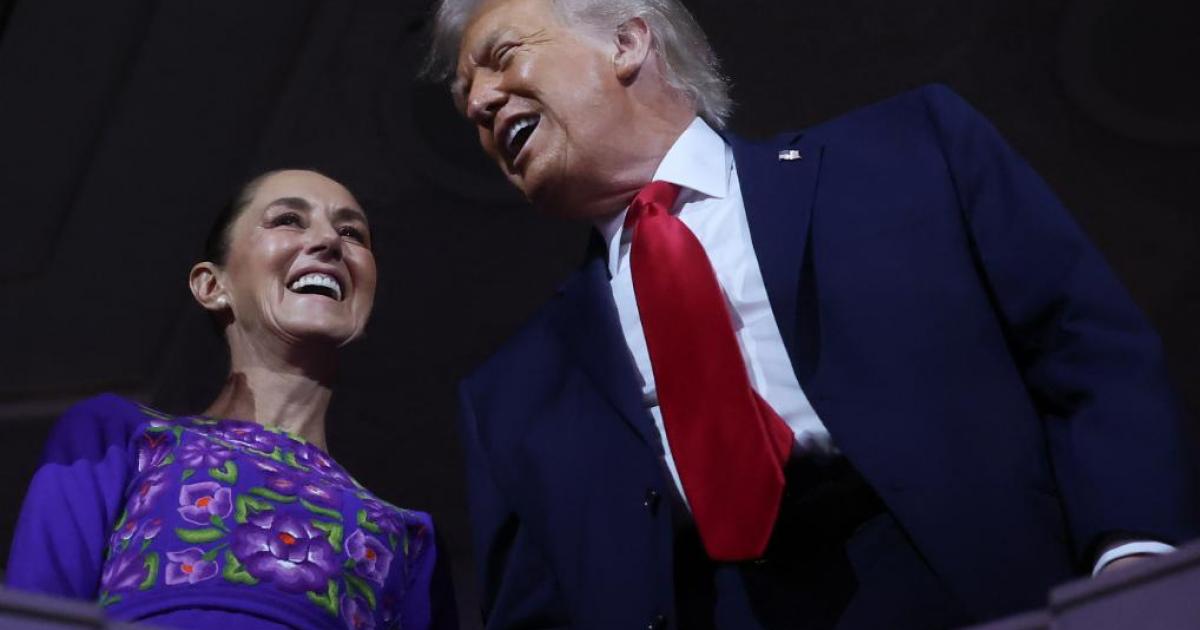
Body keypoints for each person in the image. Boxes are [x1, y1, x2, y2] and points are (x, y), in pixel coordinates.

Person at [425, 0, 1199, 628]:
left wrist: (1130, 562)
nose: (483, 103)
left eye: (502, 58)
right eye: (467, 103)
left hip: (987, 584)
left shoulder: (910, 154)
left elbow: (1085, 354)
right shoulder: (511, 392)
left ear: (628, 42)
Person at [6, 170, 456, 629]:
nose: (329, 242)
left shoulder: (406, 536)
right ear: (210, 285)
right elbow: (37, 614)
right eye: (288, 220)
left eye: (351, 232)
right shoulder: (120, 438)